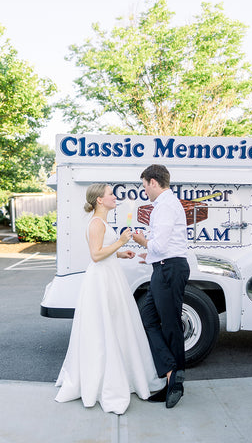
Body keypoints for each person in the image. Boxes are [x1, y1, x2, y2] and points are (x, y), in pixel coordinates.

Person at [55, 183, 165, 414]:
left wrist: (119, 253)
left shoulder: (102, 222)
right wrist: (121, 242)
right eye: (110, 194)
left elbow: (104, 250)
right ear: (99, 201)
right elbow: (95, 255)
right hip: (101, 280)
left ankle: (123, 373)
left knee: (117, 325)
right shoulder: (96, 223)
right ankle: (107, 381)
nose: (115, 197)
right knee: (102, 328)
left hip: (111, 276)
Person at [132, 164, 190, 409]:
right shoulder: (165, 205)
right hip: (164, 267)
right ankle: (170, 372)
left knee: (170, 323)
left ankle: (175, 380)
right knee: (148, 318)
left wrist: (141, 241)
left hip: (168, 268)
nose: (144, 190)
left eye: (144, 185)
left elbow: (161, 244)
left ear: (153, 182)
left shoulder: (165, 206)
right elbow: (161, 247)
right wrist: (151, 256)